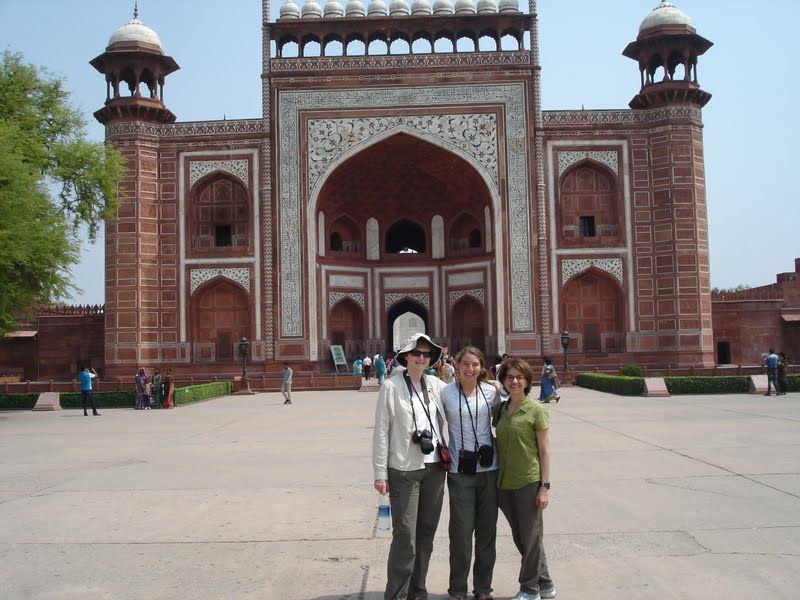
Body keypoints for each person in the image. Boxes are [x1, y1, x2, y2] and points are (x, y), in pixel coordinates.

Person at [373, 332, 447, 600]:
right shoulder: (391, 387)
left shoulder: (436, 385)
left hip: (435, 468)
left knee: (425, 534)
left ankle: (418, 589)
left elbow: (465, 398)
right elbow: (382, 431)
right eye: (416, 353)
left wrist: (493, 388)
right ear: (405, 357)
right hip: (404, 469)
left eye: (426, 354)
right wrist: (380, 472)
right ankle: (397, 593)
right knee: (405, 535)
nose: (421, 358)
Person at [441, 347, 501, 600]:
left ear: (482, 367)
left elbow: (506, 416)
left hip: (489, 470)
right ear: (456, 365)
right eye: (465, 364)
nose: (470, 369)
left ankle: (483, 588)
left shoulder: (492, 391)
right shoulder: (445, 393)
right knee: (461, 533)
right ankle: (457, 588)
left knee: (487, 532)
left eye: (475, 364)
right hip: (459, 471)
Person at [495, 358, 556, 600]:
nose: (515, 381)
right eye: (510, 377)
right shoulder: (501, 409)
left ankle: (529, 588)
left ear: (528, 381)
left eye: (519, 377)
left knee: (531, 536)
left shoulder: (537, 410)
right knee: (523, 537)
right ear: (503, 381)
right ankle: (547, 583)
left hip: (528, 482)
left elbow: (545, 451)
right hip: (505, 482)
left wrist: (544, 488)